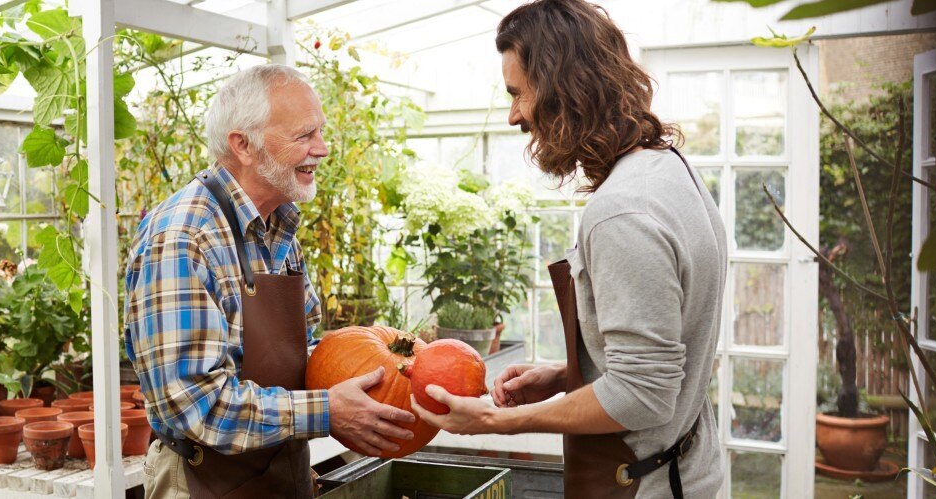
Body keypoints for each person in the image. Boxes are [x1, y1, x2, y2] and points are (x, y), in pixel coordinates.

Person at [409, 1, 726, 497]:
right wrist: (567, 375)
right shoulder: (669, 168)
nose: (514, 114)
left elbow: (644, 394)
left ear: (563, 90)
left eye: (517, 94)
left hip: (646, 484)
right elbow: (665, 343)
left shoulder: (622, 212)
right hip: (688, 465)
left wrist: (498, 421)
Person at [124, 64, 415, 499]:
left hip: (281, 469)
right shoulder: (185, 237)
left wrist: (376, 363)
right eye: (304, 136)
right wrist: (326, 411)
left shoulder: (277, 227)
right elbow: (193, 404)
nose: (323, 148)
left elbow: (303, 349)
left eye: (320, 132)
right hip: (205, 480)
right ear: (242, 145)